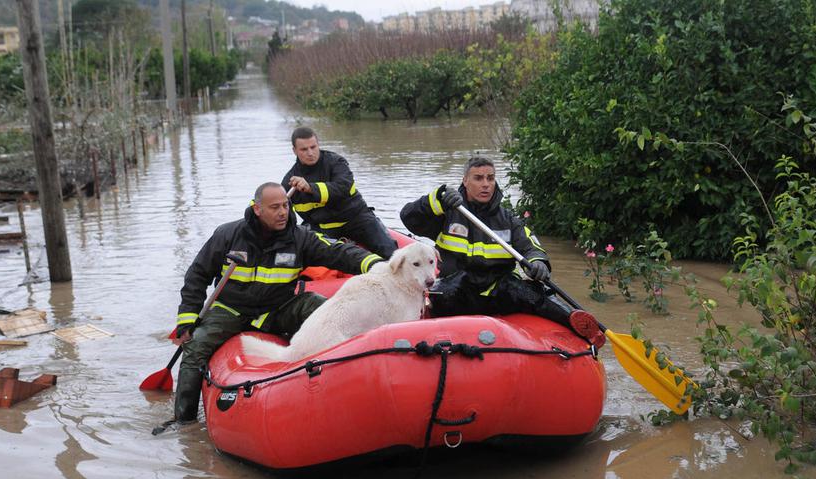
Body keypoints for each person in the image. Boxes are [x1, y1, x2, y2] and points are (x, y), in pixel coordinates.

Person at [172, 182, 384, 424]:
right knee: (196, 346)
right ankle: (183, 422)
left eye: (285, 205)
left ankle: (347, 380)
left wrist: (376, 265)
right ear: (257, 209)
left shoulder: (299, 238)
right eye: (275, 207)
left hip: (278, 309)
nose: (283, 212)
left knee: (318, 306)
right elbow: (197, 275)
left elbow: (339, 252)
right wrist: (187, 320)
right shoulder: (228, 235)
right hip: (231, 310)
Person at [399, 156, 606, 348]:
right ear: (465, 181)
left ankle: (579, 326)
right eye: (478, 178)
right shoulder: (448, 213)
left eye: (490, 178)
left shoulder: (508, 219)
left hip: (497, 288)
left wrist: (539, 262)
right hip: (458, 286)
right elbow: (409, 217)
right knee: (441, 294)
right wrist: (437, 199)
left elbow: (531, 246)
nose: (486, 184)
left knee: (532, 293)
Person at [282, 126, 397, 258]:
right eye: (304, 149)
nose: (310, 153)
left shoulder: (336, 162)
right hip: (322, 227)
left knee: (390, 252)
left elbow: (342, 188)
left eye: (313, 147)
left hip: (357, 219)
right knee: (304, 258)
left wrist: (310, 188)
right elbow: (279, 208)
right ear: (294, 151)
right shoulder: (290, 181)